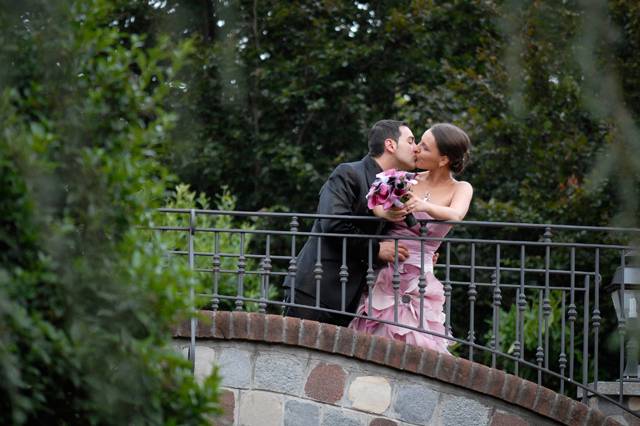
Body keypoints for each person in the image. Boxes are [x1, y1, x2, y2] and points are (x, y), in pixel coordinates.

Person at [349, 123, 473, 353]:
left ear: (443, 159)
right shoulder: (404, 179)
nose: (415, 149)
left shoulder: (461, 188)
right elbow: (374, 202)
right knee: (375, 333)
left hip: (419, 276)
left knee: (416, 341)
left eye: (424, 147)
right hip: (386, 267)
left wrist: (424, 205)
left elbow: (456, 215)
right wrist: (386, 213)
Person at [283, 120, 417, 326]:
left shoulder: (397, 188)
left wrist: (420, 256)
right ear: (390, 145)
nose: (415, 148)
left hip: (350, 297)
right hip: (316, 288)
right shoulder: (348, 173)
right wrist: (376, 249)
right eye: (411, 141)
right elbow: (333, 223)